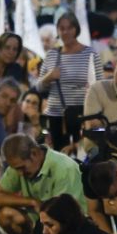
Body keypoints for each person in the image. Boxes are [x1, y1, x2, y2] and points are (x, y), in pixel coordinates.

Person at [39, 12, 101, 143]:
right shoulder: (51, 55)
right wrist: (49, 77)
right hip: (56, 115)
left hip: (82, 113)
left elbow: (100, 85)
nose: (66, 32)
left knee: (83, 151)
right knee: (59, 153)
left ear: (76, 30)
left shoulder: (90, 54)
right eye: (62, 28)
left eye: (69, 28)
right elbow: (39, 88)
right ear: (57, 31)